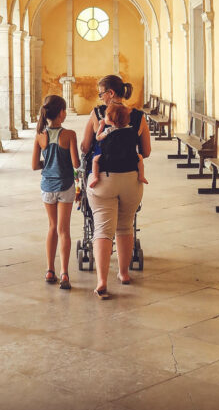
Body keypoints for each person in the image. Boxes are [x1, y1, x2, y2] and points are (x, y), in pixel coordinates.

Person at [81, 75, 151, 299]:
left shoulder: (98, 113)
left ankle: (102, 280)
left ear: (110, 93)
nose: (100, 97)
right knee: (125, 226)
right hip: (131, 179)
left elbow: (84, 146)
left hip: (103, 179)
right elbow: (146, 152)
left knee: (102, 228)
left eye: (101, 93)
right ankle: (123, 273)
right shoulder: (139, 116)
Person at [32, 94, 80, 290]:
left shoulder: (40, 136)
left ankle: (50, 269)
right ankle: (65, 273)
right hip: (66, 186)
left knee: (52, 227)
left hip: (47, 186)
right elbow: (76, 164)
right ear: (62, 113)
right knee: (64, 230)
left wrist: (49, 163)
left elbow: (35, 165)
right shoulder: (69, 135)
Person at [88, 102, 148, 188]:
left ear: (111, 120)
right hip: (129, 157)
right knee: (140, 158)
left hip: (109, 158)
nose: (104, 117)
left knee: (95, 160)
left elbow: (98, 137)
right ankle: (141, 176)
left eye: (106, 116)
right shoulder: (130, 129)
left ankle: (95, 178)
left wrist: (101, 125)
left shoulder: (109, 130)